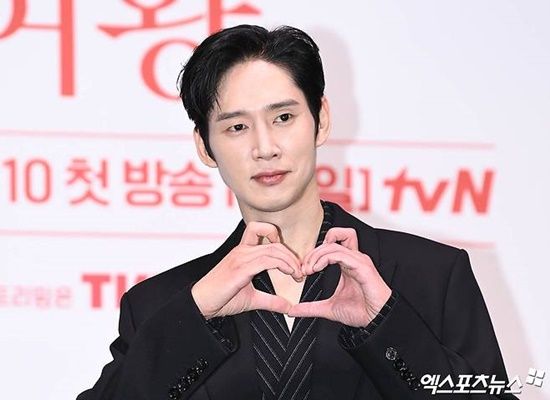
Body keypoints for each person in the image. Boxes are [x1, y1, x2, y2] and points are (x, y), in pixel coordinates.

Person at [77, 25, 515, 400]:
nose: (265, 147)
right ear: (204, 147)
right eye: (237, 127)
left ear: (320, 119)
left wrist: (385, 323)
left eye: (283, 118)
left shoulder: (431, 275)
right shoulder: (160, 305)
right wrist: (194, 316)